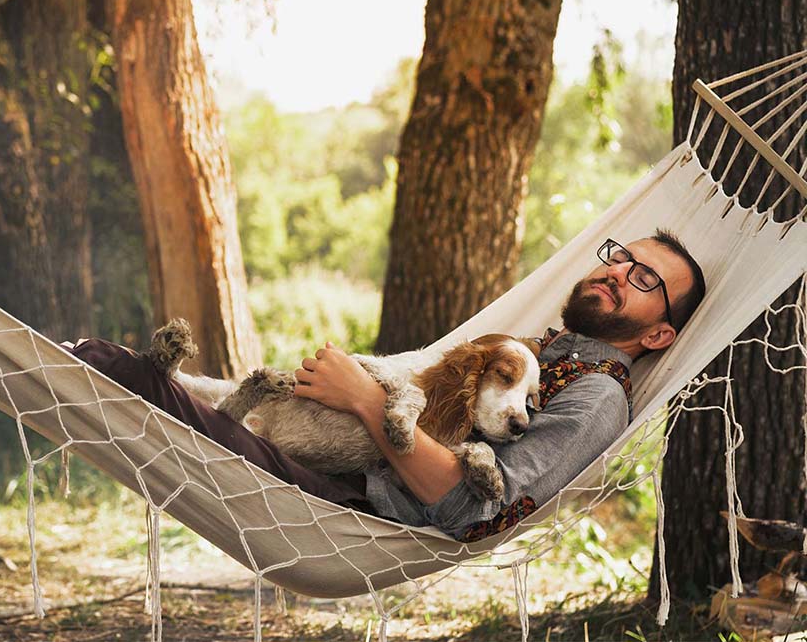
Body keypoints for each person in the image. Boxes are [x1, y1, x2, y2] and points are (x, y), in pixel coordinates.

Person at [70, 229, 706, 540]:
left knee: (142, 386)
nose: (621, 272)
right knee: (185, 396)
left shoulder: (598, 396)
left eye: (647, 280)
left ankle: (75, 363)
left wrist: (364, 399)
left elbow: (475, 510)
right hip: (333, 453)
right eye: (624, 257)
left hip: (360, 508)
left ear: (657, 338)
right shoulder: (537, 351)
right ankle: (77, 362)